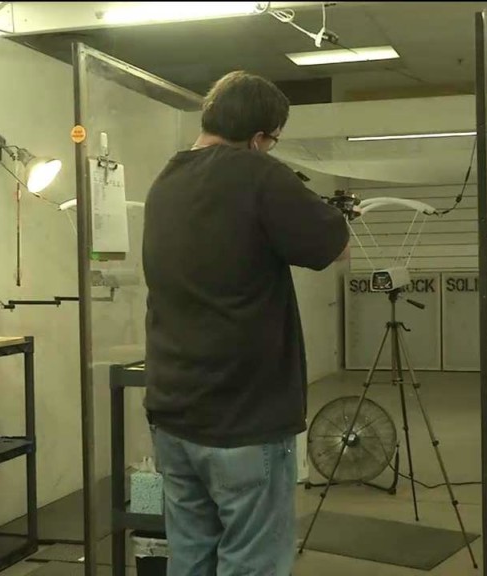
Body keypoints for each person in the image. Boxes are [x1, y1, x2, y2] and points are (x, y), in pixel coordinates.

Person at [141, 70, 350, 576]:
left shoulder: (165, 181)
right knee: (252, 562)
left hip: (174, 412)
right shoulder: (259, 174)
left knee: (190, 555)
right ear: (258, 138)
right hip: (245, 417)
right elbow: (335, 246)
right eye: (272, 140)